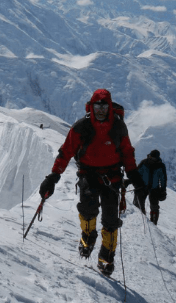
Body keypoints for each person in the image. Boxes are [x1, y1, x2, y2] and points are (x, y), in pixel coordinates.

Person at [39, 88, 145, 276]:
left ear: (110, 107)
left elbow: (127, 153)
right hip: (89, 175)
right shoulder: (82, 127)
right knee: (88, 210)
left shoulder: (118, 127)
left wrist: (134, 175)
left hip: (112, 177)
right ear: (92, 106)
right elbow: (66, 152)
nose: (101, 110)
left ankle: (106, 257)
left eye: (104, 106)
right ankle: (88, 237)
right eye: (98, 106)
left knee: (111, 220)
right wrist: (53, 177)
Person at [132, 149, 167, 224]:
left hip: (147, 188)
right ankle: (148, 222)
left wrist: (163, 190)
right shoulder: (160, 165)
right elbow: (163, 179)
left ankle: (149, 223)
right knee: (147, 206)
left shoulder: (145, 163)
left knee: (144, 205)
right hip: (148, 187)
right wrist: (163, 190)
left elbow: (163, 179)